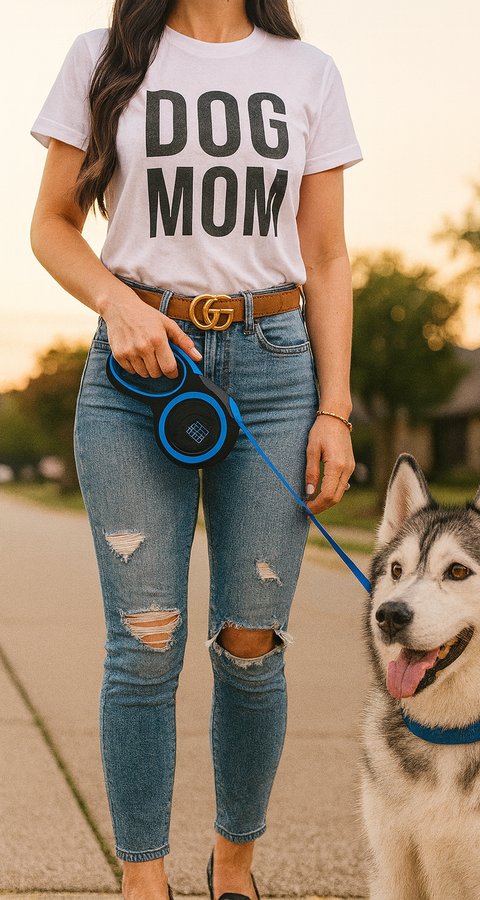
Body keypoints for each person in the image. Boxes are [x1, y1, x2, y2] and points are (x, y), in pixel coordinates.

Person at [30, 1, 361, 898]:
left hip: (276, 366)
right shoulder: (101, 57)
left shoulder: (308, 72)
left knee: (253, 643)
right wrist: (116, 301)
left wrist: (334, 408)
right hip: (138, 372)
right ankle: (144, 881)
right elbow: (51, 224)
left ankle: (234, 869)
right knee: (144, 641)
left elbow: (326, 256)